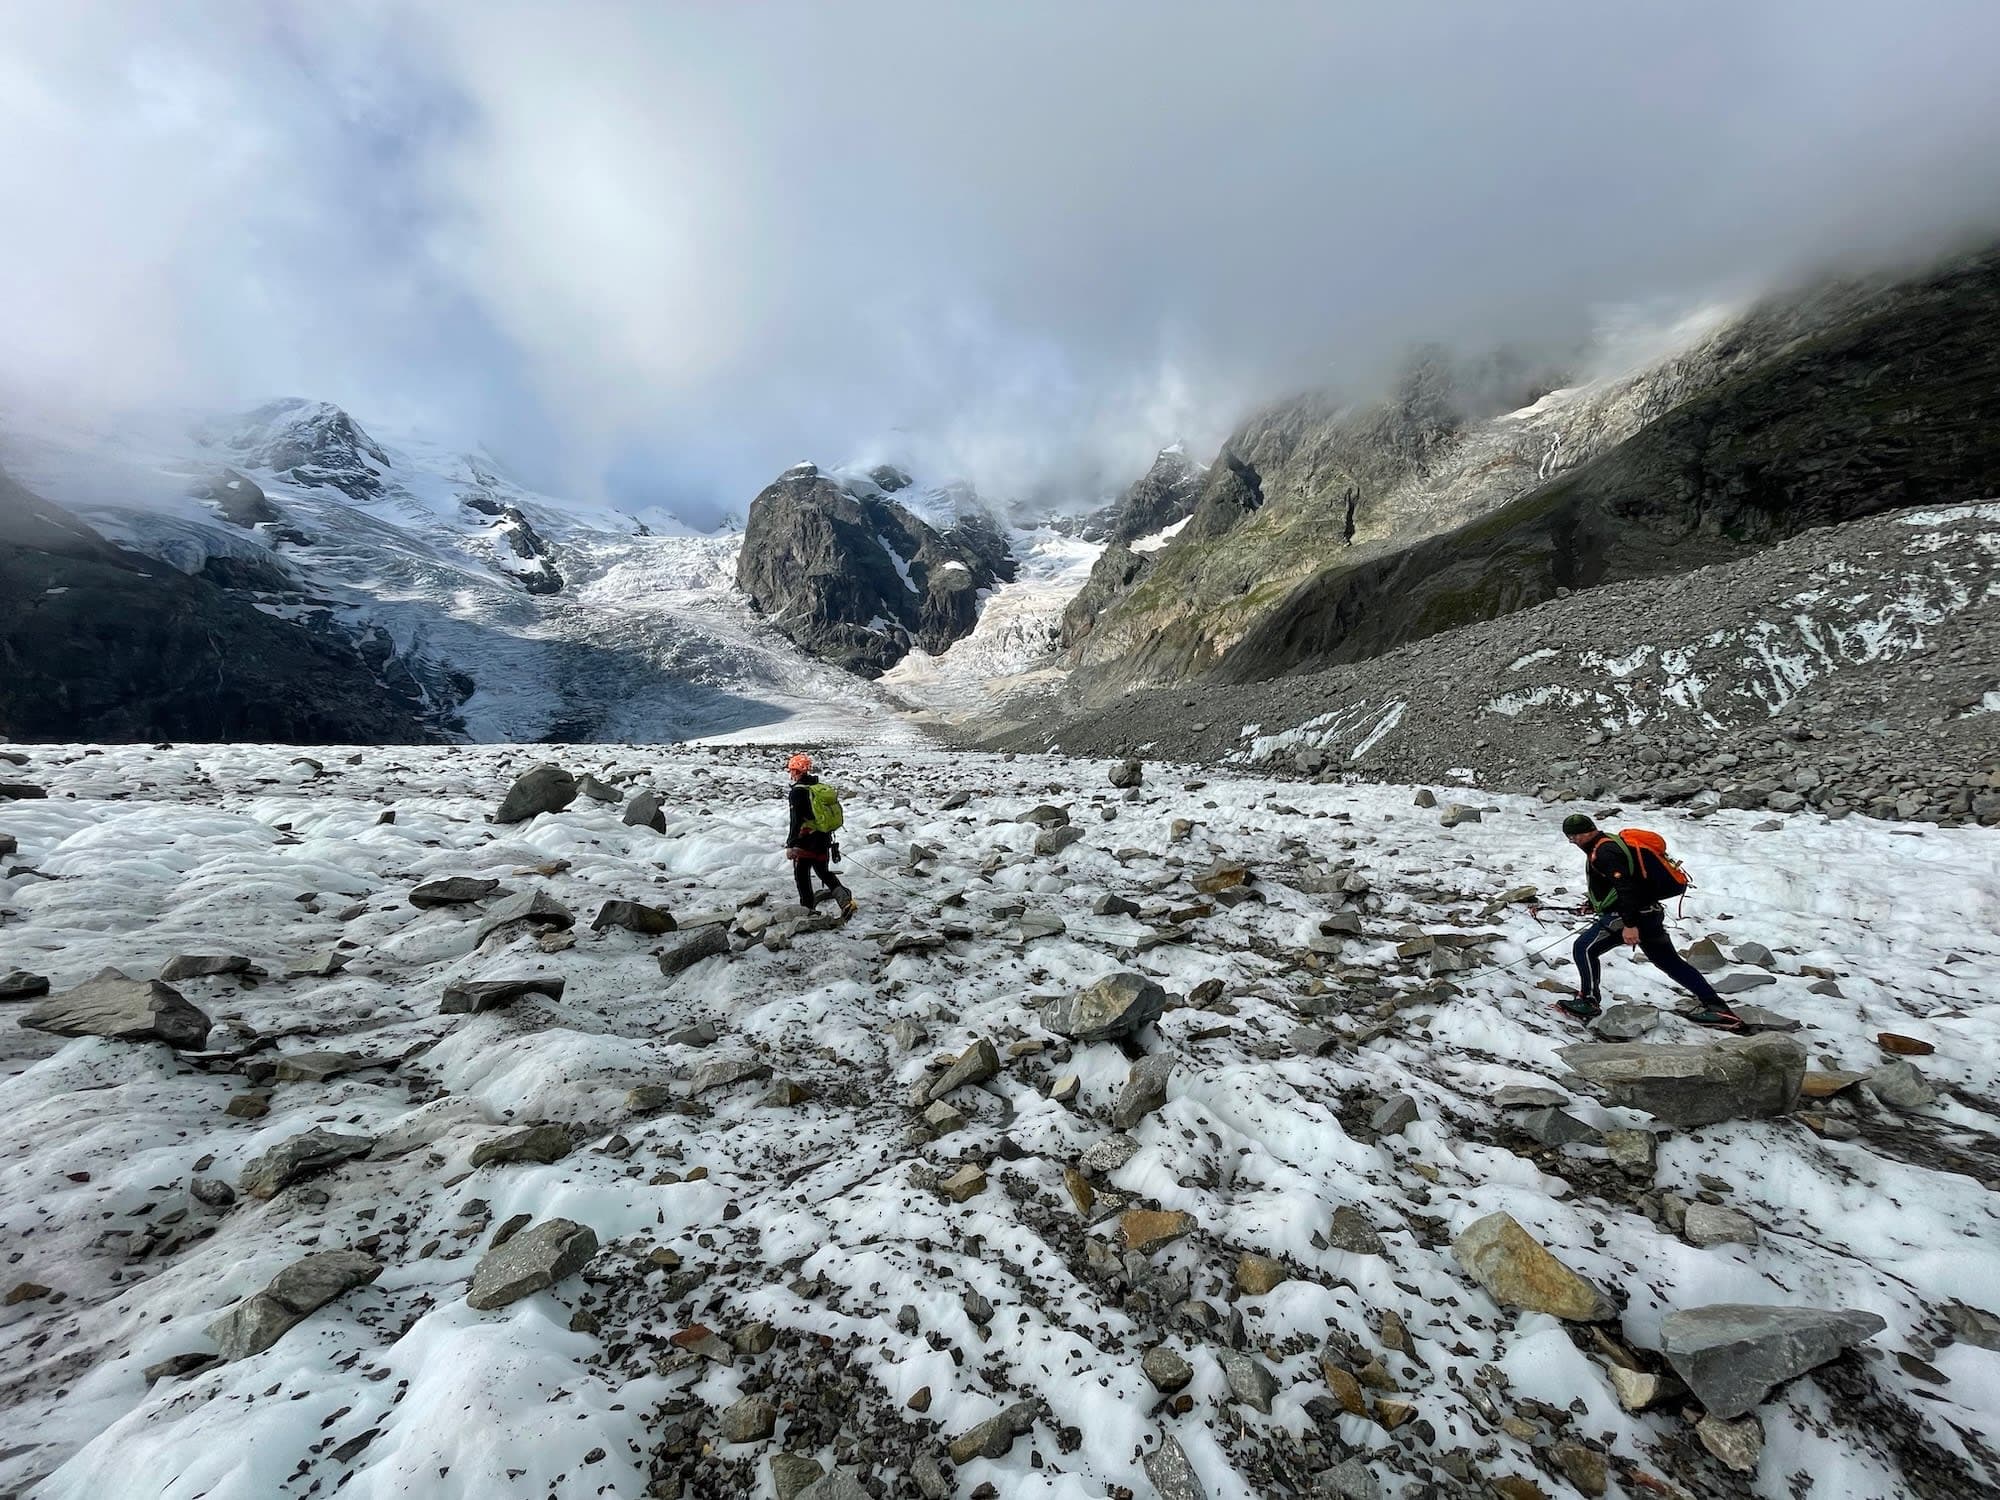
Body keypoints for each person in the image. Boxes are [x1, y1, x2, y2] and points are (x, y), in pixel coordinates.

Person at [1560, 813, 1741, 1029]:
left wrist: (1629, 925)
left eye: (1573, 836)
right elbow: (1619, 884)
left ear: (1587, 832)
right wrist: (1596, 903)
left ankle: (1588, 1002)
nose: (1571, 842)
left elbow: (1626, 887)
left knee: (1584, 948)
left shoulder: (1605, 852)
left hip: (1632, 916)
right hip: (1649, 913)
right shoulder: (1606, 844)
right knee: (1670, 962)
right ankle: (1719, 1009)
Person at [785, 753, 855, 918]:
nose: (791, 773)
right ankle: (846, 902)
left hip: (805, 841)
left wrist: (790, 844)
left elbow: (795, 821)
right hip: (824, 838)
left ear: (796, 771)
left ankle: (809, 911)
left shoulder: (797, 792)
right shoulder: (818, 787)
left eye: (792, 770)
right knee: (823, 872)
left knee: (802, 876)